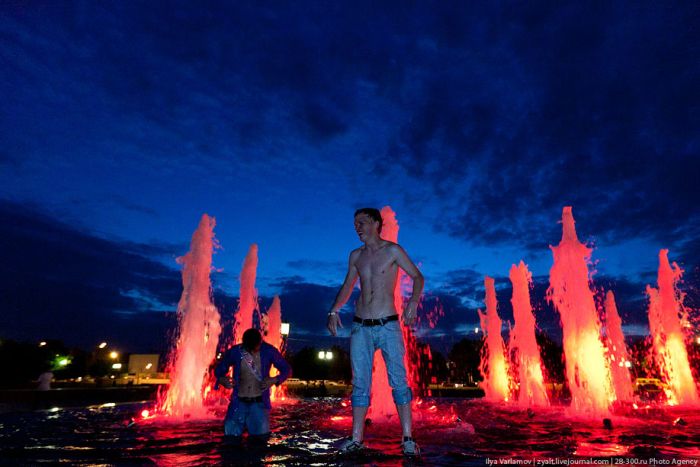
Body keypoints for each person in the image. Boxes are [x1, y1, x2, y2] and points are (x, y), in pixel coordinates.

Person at [327, 207, 424, 456]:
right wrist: (334, 310)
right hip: (360, 326)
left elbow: (417, 277)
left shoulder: (392, 250)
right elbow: (348, 285)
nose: (357, 227)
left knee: (399, 381)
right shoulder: (355, 256)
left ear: (376, 224)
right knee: (360, 384)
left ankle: (408, 439)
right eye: (355, 224)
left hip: (388, 325)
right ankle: (356, 439)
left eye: (361, 222)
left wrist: (413, 302)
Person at [215, 328, 291, 445]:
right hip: (238, 403)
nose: (252, 352)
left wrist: (275, 379)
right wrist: (221, 379)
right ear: (244, 343)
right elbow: (219, 369)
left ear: (260, 342)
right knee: (230, 442)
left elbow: (287, 369)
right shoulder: (236, 351)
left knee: (259, 444)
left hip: (259, 404)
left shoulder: (269, 351)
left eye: (255, 348)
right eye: (248, 349)